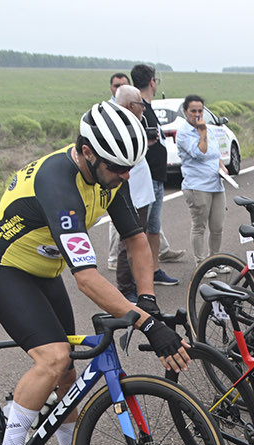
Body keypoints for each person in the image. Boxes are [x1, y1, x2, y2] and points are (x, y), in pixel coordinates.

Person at [0, 101, 190, 445]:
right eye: (116, 168)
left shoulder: (108, 175)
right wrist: (145, 323)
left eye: (129, 168)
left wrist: (147, 300)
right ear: (87, 151)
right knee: (53, 358)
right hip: (3, 267)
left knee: (68, 372)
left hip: (42, 270)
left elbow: (137, 240)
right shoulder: (59, 181)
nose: (123, 176)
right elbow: (87, 279)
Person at [131, 63, 185, 266]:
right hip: (147, 177)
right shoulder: (139, 110)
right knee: (142, 228)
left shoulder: (148, 108)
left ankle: (154, 269)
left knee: (154, 227)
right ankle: (141, 272)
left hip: (157, 176)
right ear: (152, 82)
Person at [111, 85, 158, 302]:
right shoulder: (120, 125)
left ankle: (136, 282)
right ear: (131, 106)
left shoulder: (133, 122)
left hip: (140, 190)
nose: (143, 108)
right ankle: (126, 287)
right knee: (129, 240)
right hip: (130, 192)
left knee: (138, 238)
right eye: (141, 104)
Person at [176, 94, 226, 262]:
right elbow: (199, 152)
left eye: (200, 111)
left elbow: (214, 152)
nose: (197, 115)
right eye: (193, 111)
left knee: (217, 227)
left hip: (216, 184)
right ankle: (201, 262)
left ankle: (215, 260)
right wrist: (202, 132)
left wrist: (221, 166)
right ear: (185, 112)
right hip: (198, 185)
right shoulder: (184, 133)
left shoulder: (208, 129)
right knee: (199, 227)